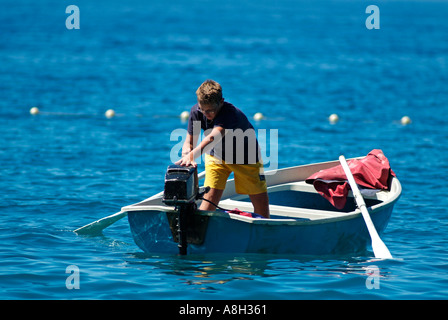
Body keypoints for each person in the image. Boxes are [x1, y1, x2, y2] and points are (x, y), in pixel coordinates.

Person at [176, 80, 270, 218]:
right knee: (208, 201)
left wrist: (192, 156)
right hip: (216, 157)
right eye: (203, 109)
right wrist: (186, 157)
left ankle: (265, 231)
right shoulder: (196, 112)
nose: (206, 114)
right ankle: (199, 232)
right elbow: (189, 142)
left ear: (221, 101)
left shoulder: (229, 114)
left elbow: (212, 138)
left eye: (211, 111)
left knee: (261, 204)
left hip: (245, 157)